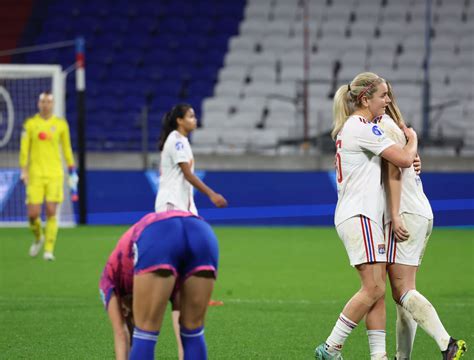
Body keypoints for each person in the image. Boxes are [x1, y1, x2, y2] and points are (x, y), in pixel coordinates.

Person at [314, 72, 419, 360]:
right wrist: (413, 141)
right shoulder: (362, 127)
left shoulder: (355, 127)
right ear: (365, 99)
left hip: (360, 215)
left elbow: (399, 161)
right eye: (383, 95)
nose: (388, 101)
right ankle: (331, 347)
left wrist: (408, 156)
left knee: (376, 289)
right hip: (360, 215)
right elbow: (404, 159)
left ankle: (378, 356)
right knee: (373, 287)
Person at [377, 83, 467, 360]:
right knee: (404, 294)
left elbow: (395, 170)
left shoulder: (383, 127)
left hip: (405, 213)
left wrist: (393, 214)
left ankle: (447, 344)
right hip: (419, 210)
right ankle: (402, 357)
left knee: (402, 291)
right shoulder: (397, 128)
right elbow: (406, 162)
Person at [99, 213, 184, 360]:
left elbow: (120, 333)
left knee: (146, 333)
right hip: (178, 227)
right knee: (186, 331)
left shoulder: (109, 282)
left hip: (159, 231)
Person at [19, 91, 78, 261]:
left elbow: (67, 148)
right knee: (33, 214)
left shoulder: (60, 125)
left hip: (54, 174)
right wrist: (24, 170)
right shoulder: (30, 124)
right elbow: (24, 149)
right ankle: (38, 237)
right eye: (43, 101)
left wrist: (72, 169)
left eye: (49, 102)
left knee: (52, 211)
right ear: (39, 104)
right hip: (35, 174)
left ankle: (48, 250)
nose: (45, 104)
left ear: (53, 104)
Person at [154, 103, 227, 214]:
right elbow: (187, 174)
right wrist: (212, 194)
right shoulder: (177, 140)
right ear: (180, 121)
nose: (195, 120)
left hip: (184, 205)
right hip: (171, 203)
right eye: (191, 116)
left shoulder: (182, 140)